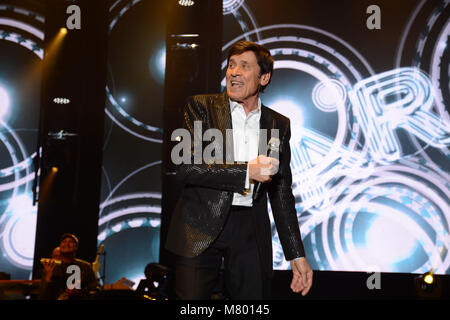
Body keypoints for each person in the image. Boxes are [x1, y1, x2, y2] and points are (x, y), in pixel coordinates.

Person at [166, 40, 313, 299]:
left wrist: (296, 254)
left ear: (263, 77)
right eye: (231, 65)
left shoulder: (278, 123)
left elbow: (281, 193)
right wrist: (246, 172)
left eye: (244, 66)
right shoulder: (202, 107)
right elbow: (186, 167)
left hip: (249, 230)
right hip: (200, 222)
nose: (234, 72)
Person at [39, 233, 97, 300]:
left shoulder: (85, 267)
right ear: (60, 246)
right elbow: (42, 296)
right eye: (64, 241)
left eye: (71, 242)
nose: (67, 244)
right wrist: (47, 278)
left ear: (76, 246)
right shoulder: (51, 267)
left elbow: (95, 291)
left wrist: (79, 292)